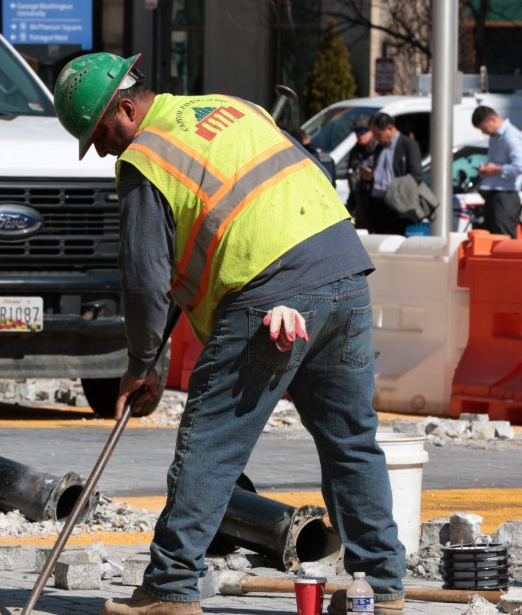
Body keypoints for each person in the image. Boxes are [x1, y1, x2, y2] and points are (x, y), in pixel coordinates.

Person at [52, 52, 406, 615]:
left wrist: (141, 364)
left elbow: (143, 280)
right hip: (344, 273)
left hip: (268, 294)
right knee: (350, 442)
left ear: (125, 107)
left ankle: (169, 589)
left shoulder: (146, 158)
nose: (100, 149)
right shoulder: (228, 106)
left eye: (98, 133)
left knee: (210, 446)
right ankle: (382, 587)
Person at [359, 112, 423, 235]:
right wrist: (369, 176)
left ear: (389, 128)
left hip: (396, 205)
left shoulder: (408, 145)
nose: (376, 138)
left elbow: (416, 175)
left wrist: (396, 189)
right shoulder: (379, 147)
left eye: (378, 134)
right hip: (377, 204)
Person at [471, 106, 522, 238]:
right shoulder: (495, 138)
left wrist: (495, 170)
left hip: (505, 196)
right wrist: (487, 170)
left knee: (504, 242)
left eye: (484, 128)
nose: (484, 132)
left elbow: (519, 166)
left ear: (492, 120)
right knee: (492, 241)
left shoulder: (510, 136)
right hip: (494, 196)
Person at [346, 114, 377, 229]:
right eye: (356, 131)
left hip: (377, 210)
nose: (359, 134)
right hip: (360, 211)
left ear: (371, 131)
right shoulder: (354, 152)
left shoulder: (379, 149)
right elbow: (352, 182)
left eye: (363, 130)